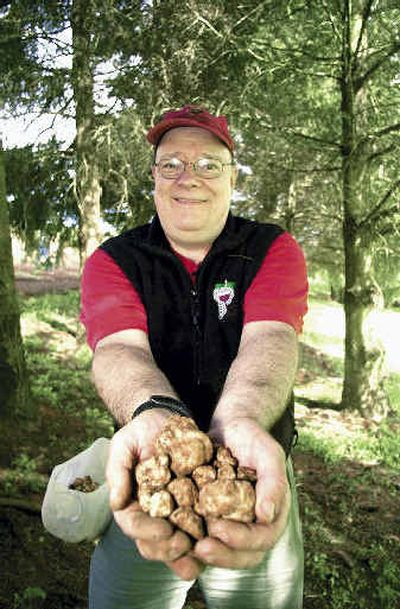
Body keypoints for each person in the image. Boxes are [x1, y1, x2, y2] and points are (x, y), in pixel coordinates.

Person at [80, 104, 308, 609]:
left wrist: (242, 419)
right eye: (171, 164)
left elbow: (270, 339)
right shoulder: (114, 260)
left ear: (231, 178)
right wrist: (153, 416)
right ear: (154, 177)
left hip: (252, 475)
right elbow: (118, 348)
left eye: (208, 164)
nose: (190, 178)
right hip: (148, 474)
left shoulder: (271, 248)